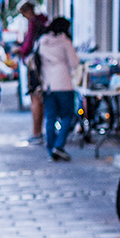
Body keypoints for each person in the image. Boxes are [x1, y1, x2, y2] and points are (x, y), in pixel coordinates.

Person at [36, 17, 80, 162]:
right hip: (64, 84)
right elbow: (74, 62)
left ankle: (51, 149)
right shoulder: (64, 42)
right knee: (67, 116)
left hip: (47, 85)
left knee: (50, 118)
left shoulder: (42, 41)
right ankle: (59, 146)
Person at [18, 0, 48, 144]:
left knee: (35, 98)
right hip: (45, 65)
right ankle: (39, 132)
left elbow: (28, 43)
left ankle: (36, 132)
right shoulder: (44, 20)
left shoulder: (33, 22)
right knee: (40, 98)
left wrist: (21, 51)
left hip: (35, 65)